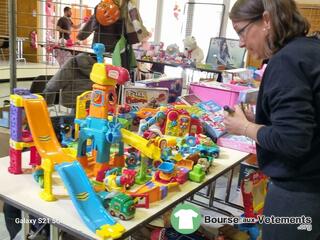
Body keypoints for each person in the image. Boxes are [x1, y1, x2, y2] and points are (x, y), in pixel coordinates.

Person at [223, 0, 320, 239]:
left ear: (266, 20)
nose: (242, 43)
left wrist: (245, 127)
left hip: (300, 192)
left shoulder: (285, 61)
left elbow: (292, 140)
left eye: (241, 31)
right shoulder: (310, 50)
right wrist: (262, 120)